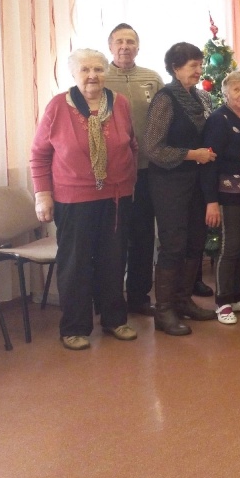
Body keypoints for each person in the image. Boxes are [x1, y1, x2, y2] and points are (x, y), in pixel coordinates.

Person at [30, 48, 138, 350]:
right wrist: (42, 195)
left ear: (106, 72)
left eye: (98, 69)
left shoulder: (120, 103)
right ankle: (74, 327)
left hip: (116, 196)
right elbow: (39, 155)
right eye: (85, 70)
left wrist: (129, 183)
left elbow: (132, 145)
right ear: (74, 74)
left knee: (114, 260)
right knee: (75, 264)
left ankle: (114, 320)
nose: (92, 76)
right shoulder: (58, 106)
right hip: (73, 199)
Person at [145, 42, 218, 336]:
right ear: (176, 68)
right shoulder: (165, 99)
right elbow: (153, 148)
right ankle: (163, 311)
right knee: (173, 245)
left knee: (194, 242)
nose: (199, 71)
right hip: (169, 183)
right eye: (193, 66)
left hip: (196, 182)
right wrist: (192, 154)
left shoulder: (198, 98)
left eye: (200, 65)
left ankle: (183, 301)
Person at [105, 23, 163, 316]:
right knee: (114, 238)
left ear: (138, 47)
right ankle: (110, 300)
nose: (125, 46)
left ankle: (139, 297)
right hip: (112, 174)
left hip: (147, 170)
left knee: (142, 236)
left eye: (130, 41)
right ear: (110, 46)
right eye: (119, 41)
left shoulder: (152, 78)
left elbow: (165, 117)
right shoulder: (99, 77)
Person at [201, 70, 240, 324]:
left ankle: (237, 296)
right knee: (229, 247)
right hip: (227, 193)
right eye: (236, 89)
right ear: (226, 93)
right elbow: (209, 162)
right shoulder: (219, 119)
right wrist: (211, 201)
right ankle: (223, 301)